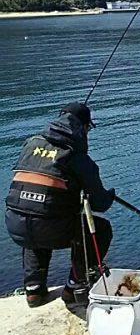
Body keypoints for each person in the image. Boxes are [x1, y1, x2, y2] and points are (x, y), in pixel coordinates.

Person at [5, 102, 115, 307]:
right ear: (82, 128)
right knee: (100, 230)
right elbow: (100, 204)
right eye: (88, 128)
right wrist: (110, 195)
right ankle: (75, 287)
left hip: (15, 224)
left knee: (34, 217)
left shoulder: (30, 144)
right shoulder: (78, 157)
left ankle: (34, 290)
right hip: (49, 227)